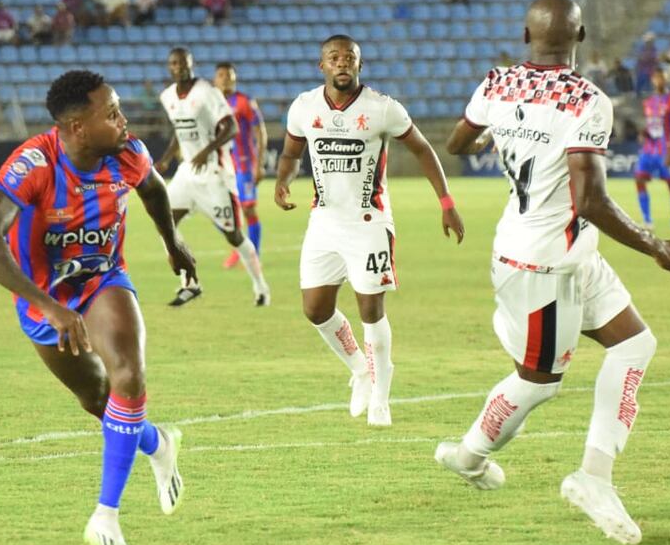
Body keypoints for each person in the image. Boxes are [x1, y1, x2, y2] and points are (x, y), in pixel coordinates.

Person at [437, 0, 670, 545]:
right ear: (581, 37)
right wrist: (655, 245)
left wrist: (506, 133)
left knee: (635, 344)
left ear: (525, 35)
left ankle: (593, 478)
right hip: (540, 264)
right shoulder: (588, 100)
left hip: (569, 251)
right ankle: (467, 457)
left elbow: (459, 143)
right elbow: (591, 201)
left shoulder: (497, 83)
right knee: (538, 383)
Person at [0, 70, 195, 545]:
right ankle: (158, 443)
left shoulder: (128, 154)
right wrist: (48, 306)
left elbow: (154, 190)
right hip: (44, 298)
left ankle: (105, 516)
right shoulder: (35, 163)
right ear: (77, 128)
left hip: (103, 279)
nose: (123, 119)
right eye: (111, 113)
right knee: (98, 400)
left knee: (128, 376)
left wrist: (172, 242)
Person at [274, 34, 464, 426]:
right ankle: (360, 369)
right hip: (323, 222)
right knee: (315, 309)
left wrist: (446, 203)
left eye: (350, 57)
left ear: (360, 64)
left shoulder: (382, 108)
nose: (342, 63)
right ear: (322, 65)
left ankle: (380, 398)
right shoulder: (304, 107)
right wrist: (283, 181)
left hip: (369, 223)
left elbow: (423, 149)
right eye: (334, 57)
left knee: (371, 311)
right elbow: (291, 153)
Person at [154, 47, 271, 307]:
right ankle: (190, 283)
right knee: (165, 225)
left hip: (214, 174)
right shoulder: (167, 96)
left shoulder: (207, 92)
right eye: (174, 63)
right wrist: (166, 158)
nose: (179, 67)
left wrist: (206, 151)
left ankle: (260, 286)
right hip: (187, 174)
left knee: (233, 235)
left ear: (191, 64)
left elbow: (231, 127)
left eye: (183, 63)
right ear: (169, 67)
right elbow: (179, 130)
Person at [214, 62, 267, 271]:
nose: (225, 79)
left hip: (244, 165)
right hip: (221, 167)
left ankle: (254, 255)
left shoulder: (244, 102)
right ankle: (240, 245)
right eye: (221, 75)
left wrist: (259, 164)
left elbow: (260, 132)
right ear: (215, 80)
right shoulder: (211, 104)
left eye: (229, 75)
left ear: (235, 78)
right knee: (217, 212)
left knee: (248, 209)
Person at [635, 69, 670, 233]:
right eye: (657, 78)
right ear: (653, 80)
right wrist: (644, 133)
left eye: (663, 78)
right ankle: (647, 220)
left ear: (667, 80)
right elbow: (652, 125)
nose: (660, 81)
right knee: (639, 179)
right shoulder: (649, 102)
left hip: (666, 150)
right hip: (649, 149)